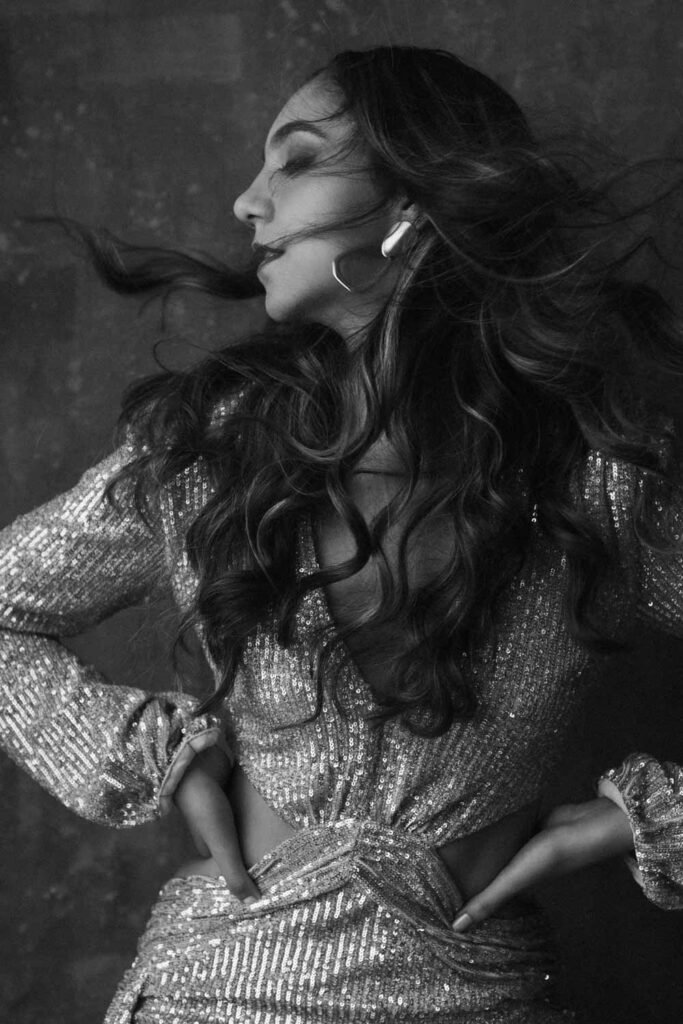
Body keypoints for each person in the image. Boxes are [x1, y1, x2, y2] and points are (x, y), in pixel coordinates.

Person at [2, 44, 683, 1023]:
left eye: (296, 160)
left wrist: (650, 819)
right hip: (208, 993)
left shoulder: (601, 474)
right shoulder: (213, 451)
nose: (247, 202)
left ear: (416, 200)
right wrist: (147, 753)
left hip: (480, 999)